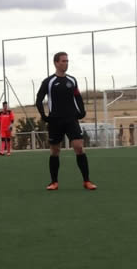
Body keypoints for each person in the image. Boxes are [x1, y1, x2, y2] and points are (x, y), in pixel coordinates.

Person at [35, 52, 96, 191]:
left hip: (71, 119)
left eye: (67, 61)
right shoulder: (48, 82)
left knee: (79, 147)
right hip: (55, 121)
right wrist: (44, 116)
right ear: (56, 63)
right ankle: (54, 182)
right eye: (63, 61)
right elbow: (39, 99)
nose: (66, 63)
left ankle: (87, 181)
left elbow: (78, 97)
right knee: (55, 151)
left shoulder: (72, 80)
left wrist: (82, 111)